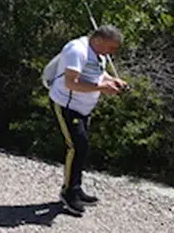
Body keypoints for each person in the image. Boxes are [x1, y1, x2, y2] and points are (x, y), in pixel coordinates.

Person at [47, 25, 127, 216]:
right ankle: (68, 192)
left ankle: (76, 188)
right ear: (98, 40)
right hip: (67, 105)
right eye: (111, 47)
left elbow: (97, 73)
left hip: (83, 108)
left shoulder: (98, 53)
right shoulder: (77, 50)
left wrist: (112, 80)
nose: (112, 52)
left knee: (82, 147)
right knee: (76, 146)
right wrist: (102, 88)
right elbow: (70, 83)